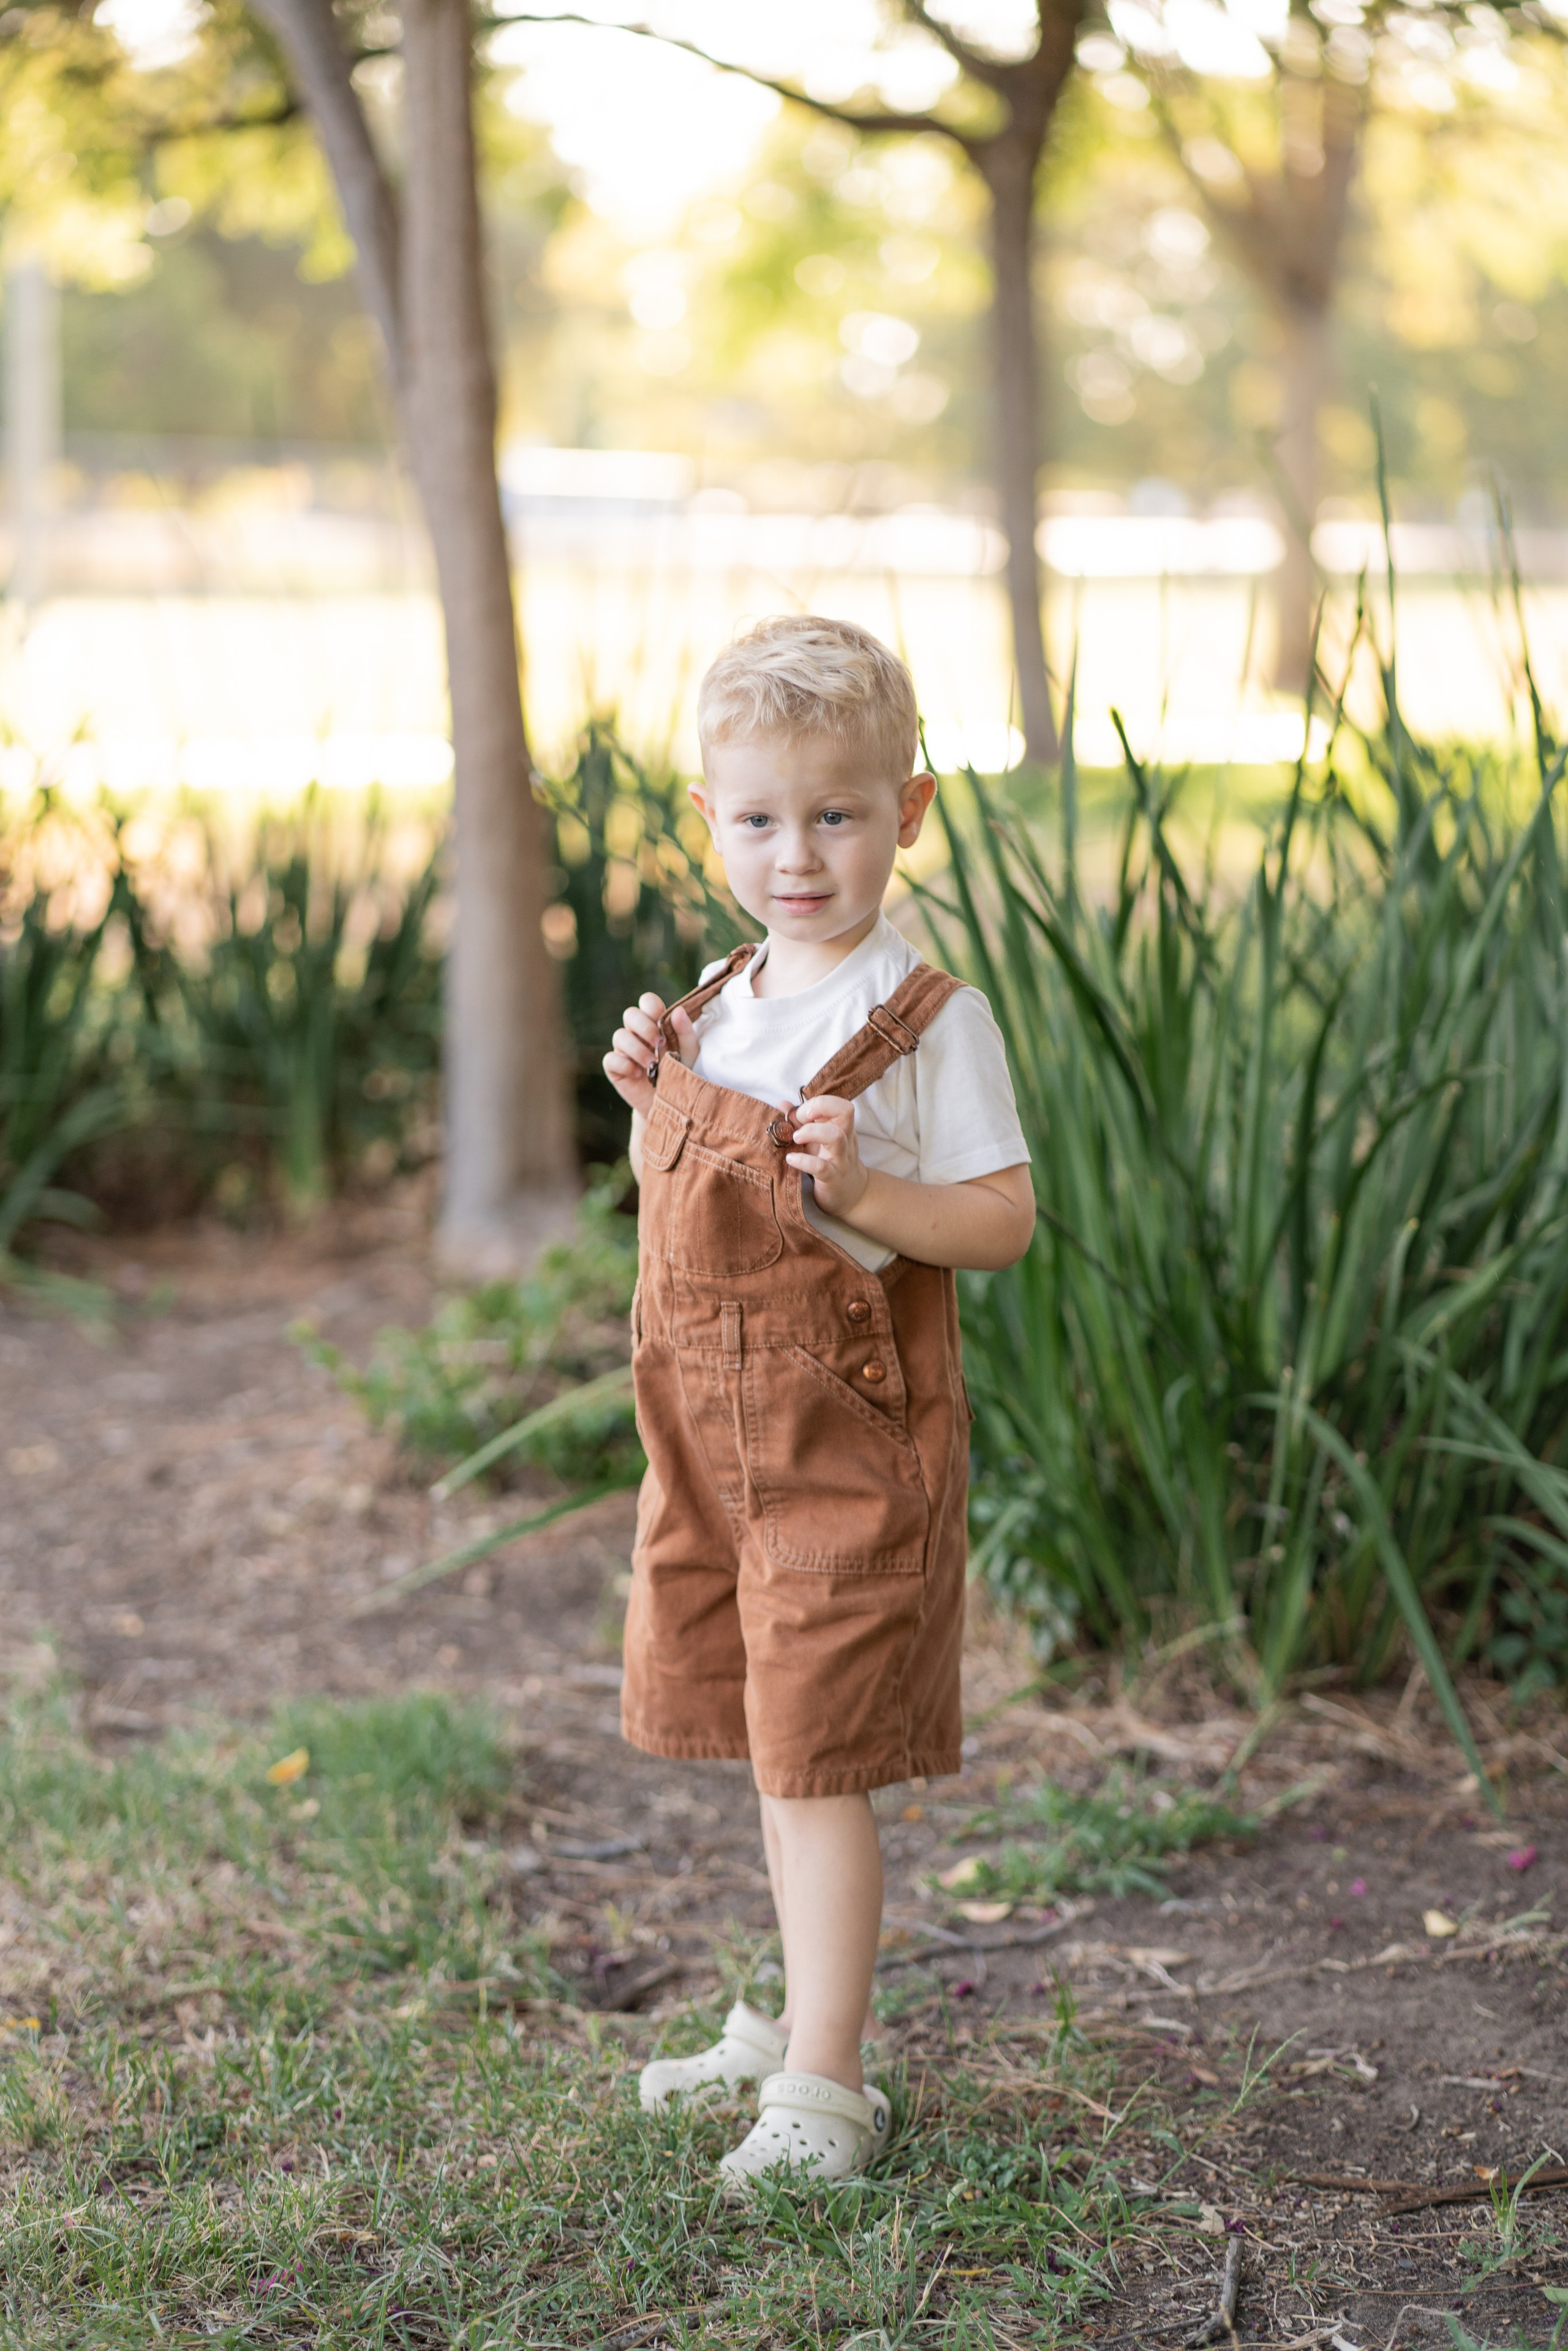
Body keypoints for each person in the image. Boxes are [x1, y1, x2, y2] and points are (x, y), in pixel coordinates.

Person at [601, 613, 1035, 2191]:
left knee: (819, 1765)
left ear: (907, 813)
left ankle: (828, 2087)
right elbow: (700, 1192)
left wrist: (871, 1182)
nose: (801, 855)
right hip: (717, 1448)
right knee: (776, 1746)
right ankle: (794, 2022)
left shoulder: (930, 1024)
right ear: (708, 819)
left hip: (849, 1456)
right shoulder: (727, 990)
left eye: (839, 814)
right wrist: (656, 1083)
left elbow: (999, 1223)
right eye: (762, 818)